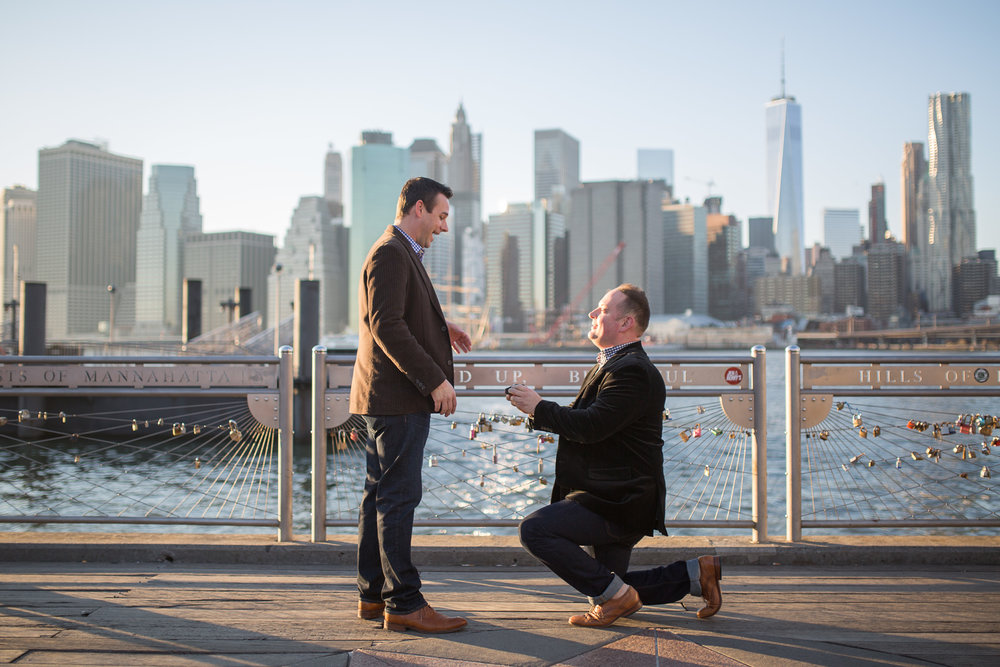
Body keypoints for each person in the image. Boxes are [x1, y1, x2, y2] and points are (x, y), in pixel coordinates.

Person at [505, 283, 722, 628]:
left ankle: (620, 596)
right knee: (609, 584)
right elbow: (592, 425)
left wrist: (539, 407)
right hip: (614, 492)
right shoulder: (615, 364)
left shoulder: (631, 371)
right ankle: (696, 574)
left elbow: (592, 426)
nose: (593, 314)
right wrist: (540, 410)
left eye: (603, 310)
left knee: (535, 531)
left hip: (618, 499)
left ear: (626, 323)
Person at [350, 177, 472, 634]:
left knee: (378, 496)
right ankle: (403, 602)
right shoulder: (391, 252)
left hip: (387, 397)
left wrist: (444, 326)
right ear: (419, 208)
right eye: (441, 216)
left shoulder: (398, 251)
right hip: (399, 399)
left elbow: (398, 314)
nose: (443, 227)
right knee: (398, 498)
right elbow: (388, 327)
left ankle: (373, 594)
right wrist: (435, 380)